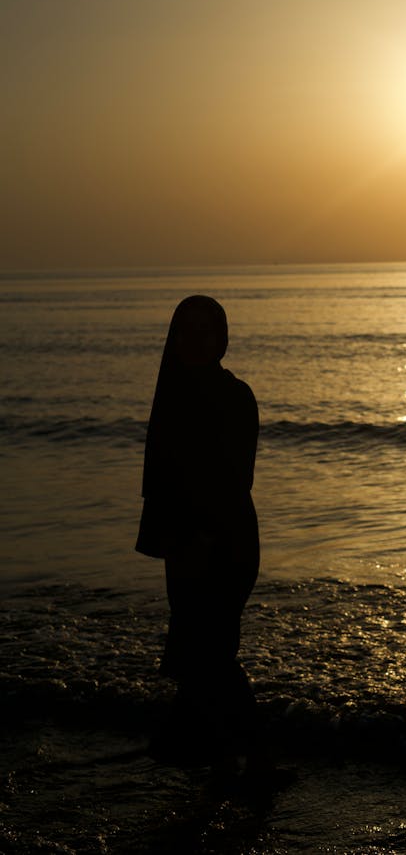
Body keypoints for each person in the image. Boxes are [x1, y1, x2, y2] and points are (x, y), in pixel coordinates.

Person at [136, 295, 260, 765]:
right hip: (183, 543)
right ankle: (193, 749)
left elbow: (235, 479)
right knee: (200, 652)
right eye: (184, 331)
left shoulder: (234, 395)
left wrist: (203, 541)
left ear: (221, 339)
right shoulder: (174, 395)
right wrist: (177, 544)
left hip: (225, 544)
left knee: (212, 655)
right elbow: (166, 479)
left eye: (204, 331)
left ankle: (256, 759)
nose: (193, 340)